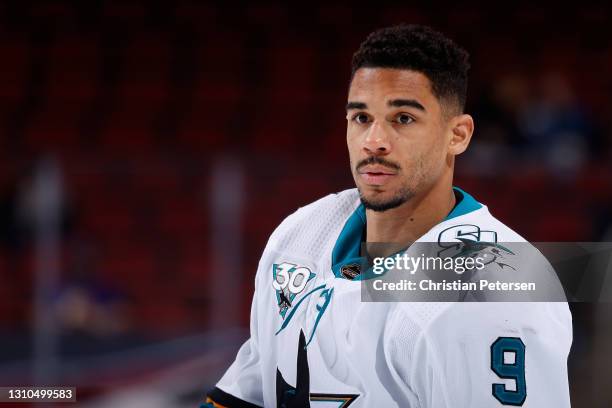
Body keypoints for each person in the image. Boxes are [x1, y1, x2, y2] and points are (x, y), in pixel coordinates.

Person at [202, 24, 572, 407]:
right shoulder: (302, 233)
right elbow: (248, 391)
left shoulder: (496, 286)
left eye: (403, 119)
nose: (374, 141)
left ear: (458, 135)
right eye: (361, 117)